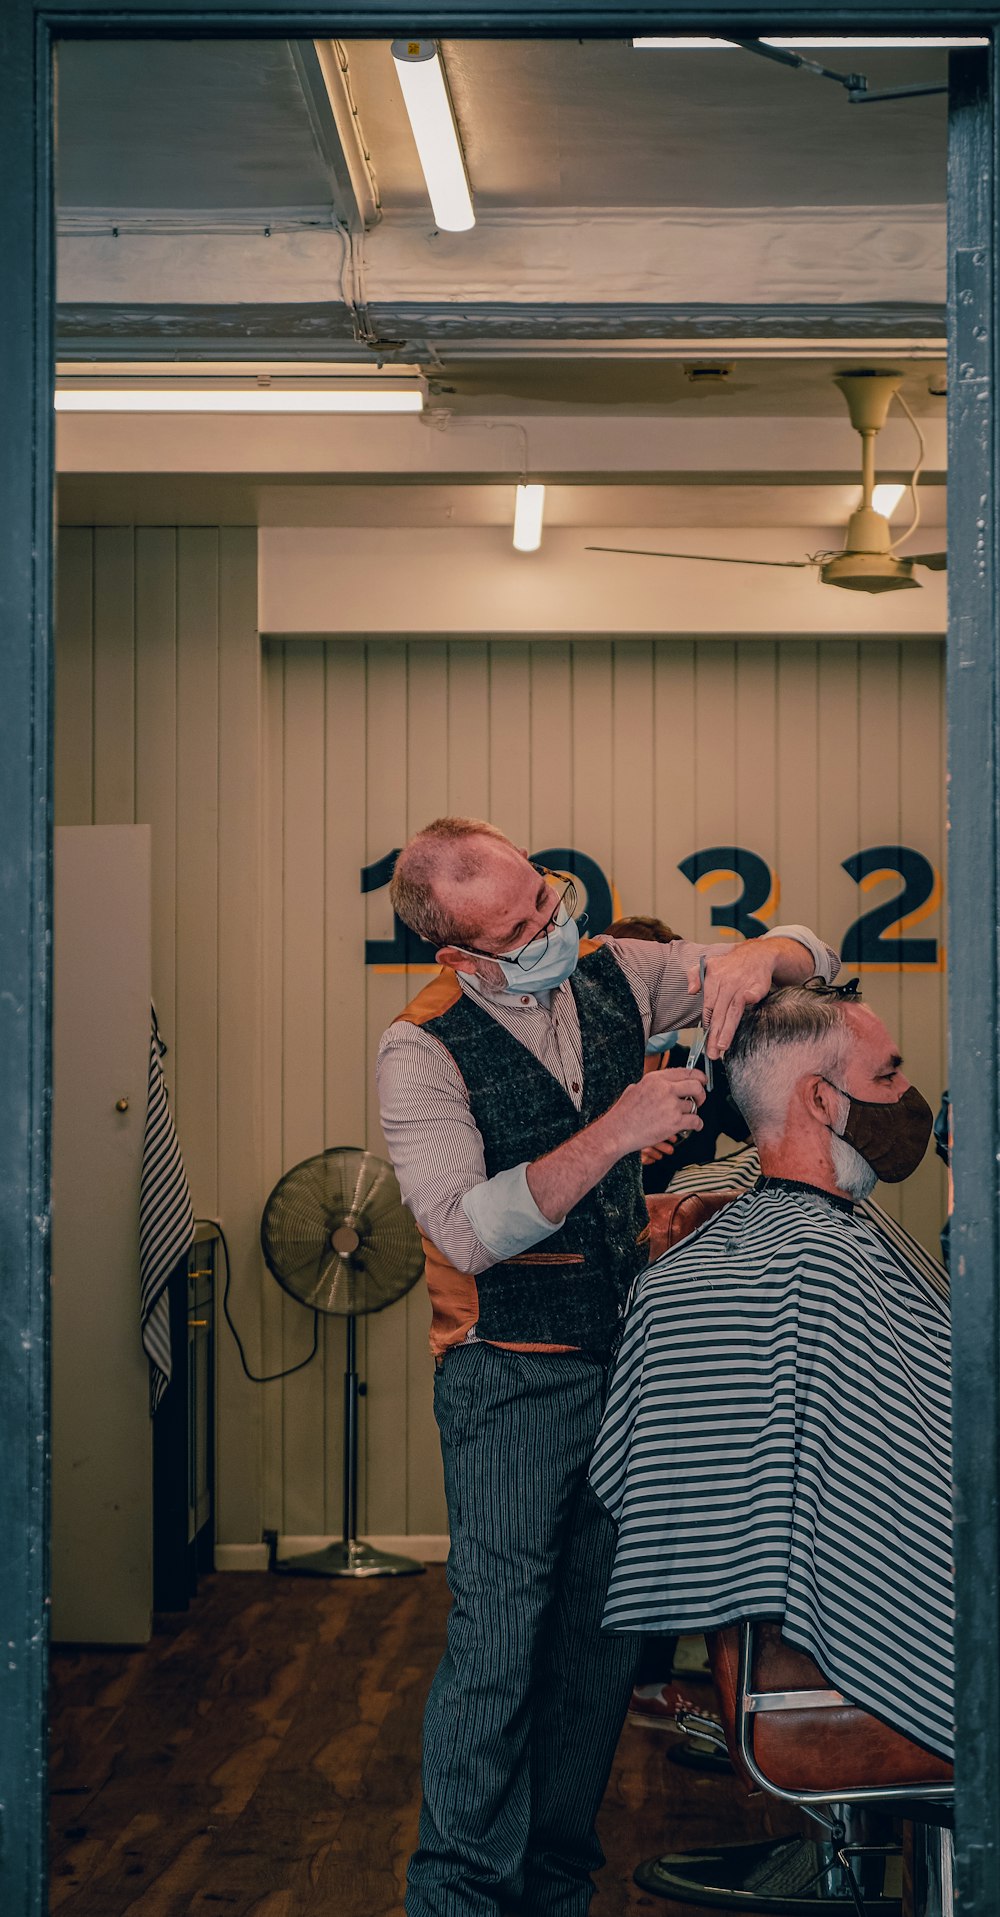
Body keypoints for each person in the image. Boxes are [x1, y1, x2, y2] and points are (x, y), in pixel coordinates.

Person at [375, 816, 839, 1917]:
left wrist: (753, 955)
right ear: (460, 955)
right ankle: (456, 1898)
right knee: (497, 1651)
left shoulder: (614, 974)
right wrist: (617, 1130)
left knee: (598, 1648)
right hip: (508, 1378)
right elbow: (467, 1230)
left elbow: (813, 955)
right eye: (521, 924)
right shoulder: (421, 1046)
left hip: (624, 1367)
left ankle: (554, 1890)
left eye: (547, 899)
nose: (552, 927)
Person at [590, 978, 952, 1762]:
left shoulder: (715, 1268)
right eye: (887, 1075)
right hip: (871, 1644)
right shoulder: (812, 1267)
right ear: (821, 1101)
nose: (907, 1096)